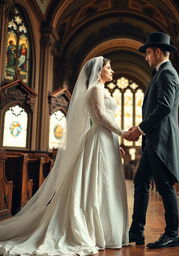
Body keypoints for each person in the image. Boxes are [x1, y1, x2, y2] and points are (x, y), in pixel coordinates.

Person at [0, 56, 129, 255]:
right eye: (109, 68)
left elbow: (105, 119)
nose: (112, 71)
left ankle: (108, 230)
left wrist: (116, 142)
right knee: (97, 182)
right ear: (99, 71)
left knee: (107, 183)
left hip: (107, 140)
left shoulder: (102, 90)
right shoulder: (95, 89)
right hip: (99, 141)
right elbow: (101, 118)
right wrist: (123, 133)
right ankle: (94, 230)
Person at [123, 32, 179, 249]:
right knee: (141, 182)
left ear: (158, 51)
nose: (146, 57)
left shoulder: (167, 73)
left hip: (161, 141)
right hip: (152, 141)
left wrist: (139, 129)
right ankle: (136, 231)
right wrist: (140, 129)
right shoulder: (160, 73)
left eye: (148, 53)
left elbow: (164, 107)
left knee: (165, 186)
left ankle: (172, 234)